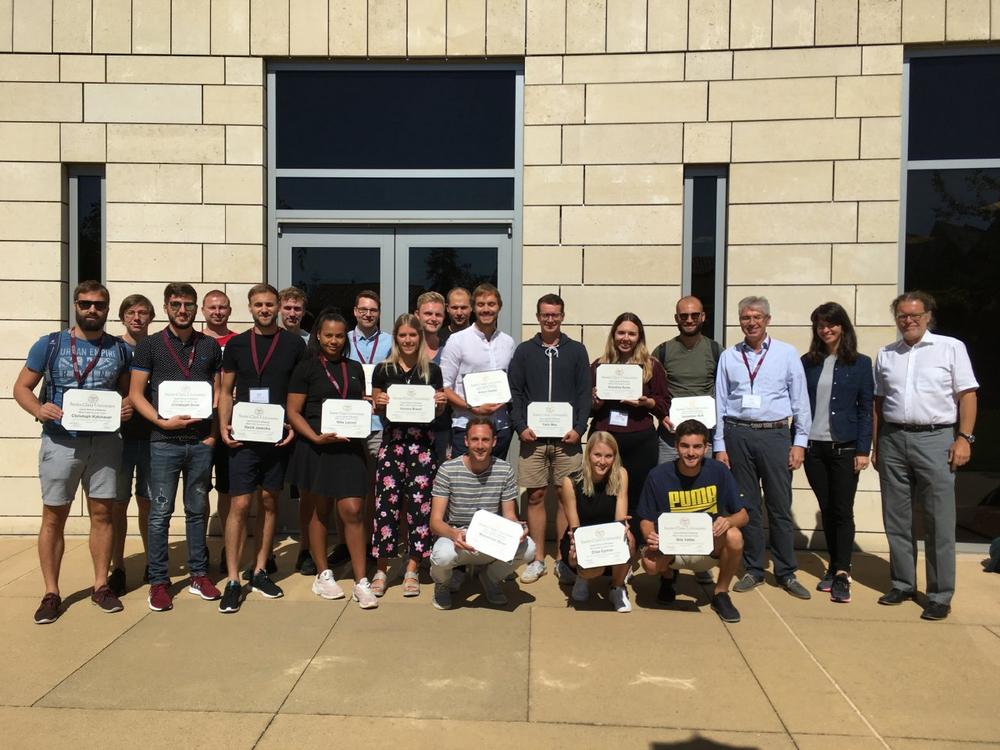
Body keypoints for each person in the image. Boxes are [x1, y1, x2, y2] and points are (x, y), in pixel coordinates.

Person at [13, 281, 133, 623]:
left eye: (99, 304)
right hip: (60, 441)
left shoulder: (120, 349)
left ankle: (101, 586)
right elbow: (21, 388)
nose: (92, 309)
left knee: (102, 514)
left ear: (107, 309)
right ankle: (51, 592)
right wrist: (39, 409)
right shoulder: (50, 344)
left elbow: (128, 393)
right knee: (54, 516)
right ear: (75, 306)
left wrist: (127, 407)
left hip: (105, 442)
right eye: (85, 303)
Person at [873, 291, 978, 621]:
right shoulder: (886, 354)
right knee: (896, 517)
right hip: (893, 438)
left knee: (938, 520)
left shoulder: (950, 348)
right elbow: (879, 403)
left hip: (936, 438)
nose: (908, 321)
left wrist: (964, 438)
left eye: (915, 315)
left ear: (928, 316)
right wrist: (877, 445)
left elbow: (967, 395)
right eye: (902, 315)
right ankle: (903, 583)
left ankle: (939, 594)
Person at [130, 283, 223, 612]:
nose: (182, 310)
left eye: (188, 304)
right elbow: (136, 393)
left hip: (200, 442)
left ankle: (198, 574)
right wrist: (161, 421)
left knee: (197, 511)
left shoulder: (209, 346)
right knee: (160, 513)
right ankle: (159, 581)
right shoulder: (150, 345)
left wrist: (213, 434)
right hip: (164, 442)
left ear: (196, 308)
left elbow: (218, 393)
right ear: (166, 307)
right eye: (175, 304)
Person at [216, 284, 306, 613]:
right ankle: (232, 579)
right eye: (258, 305)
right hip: (243, 436)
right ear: (250, 307)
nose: (264, 310)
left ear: (279, 306)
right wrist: (223, 425)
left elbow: (299, 391)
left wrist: (293, 425)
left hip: (276, 435)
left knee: (269, 501)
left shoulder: (294, 344)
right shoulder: (237, 344)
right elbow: (226, 390)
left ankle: (260, 570)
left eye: (269, 304)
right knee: (239, 504)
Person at [715, 296, 812, 599]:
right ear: (740, 321)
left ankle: (786, 571)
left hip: (775, 435)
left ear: (768, 320)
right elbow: (720, 401)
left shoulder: (786, 353)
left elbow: (800, 401)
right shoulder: (729, 356)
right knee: (747, 508)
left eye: (757, 317)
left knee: (780, 506)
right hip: (738, 434)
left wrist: (800, 442)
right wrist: (719, 445)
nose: (751, 322)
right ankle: (754, 568)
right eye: (746, 317)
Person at [286, 309, 378, 609]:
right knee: (320, 510)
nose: (334, 341)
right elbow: (293, 411)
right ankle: (323, 574)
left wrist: (366, 406)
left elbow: (355, 401)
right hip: (317, 446)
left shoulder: (354, 368)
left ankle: (361, 580)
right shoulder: (306, 368)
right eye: (328, 335)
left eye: (339, 336)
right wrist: (314, 437)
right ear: (318, 335)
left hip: (349, 447)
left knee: (353, 510)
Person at [509, 293, 591, 585]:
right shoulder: (524, 351)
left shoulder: (577, 350)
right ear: (537, 316)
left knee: (566, 496)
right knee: (535, 495)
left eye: (555, 314)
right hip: (533, 438)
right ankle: (537, 558)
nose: (550, 319)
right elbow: (515, 392)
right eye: (545, 314)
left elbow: (584, 392)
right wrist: (520, 426)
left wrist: (579, 428)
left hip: (568, 439)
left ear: (562, 316)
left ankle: (563, 559)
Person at [638, 420, 749, 623]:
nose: (691, 453)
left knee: (734, 536)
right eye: (685, 446)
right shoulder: (658, 475)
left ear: (706, 448)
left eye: (697, 446)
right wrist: (649, 535)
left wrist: (728, 521)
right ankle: (668, 578)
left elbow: (743, 515)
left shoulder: (719, 471)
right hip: (672, 548)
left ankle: (721, 593)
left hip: (709, 545)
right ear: (676, 446)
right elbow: (646, 518)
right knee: (649, 564)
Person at [369, 314, 447, 597]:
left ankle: (413, 567)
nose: (408, 340)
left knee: (419, 507)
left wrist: (440, 403)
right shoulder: (383, 370)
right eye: (402, 335)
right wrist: (378, 401)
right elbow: (376, 407)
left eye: (413, 335)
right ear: (396, 338)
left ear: (420, 337)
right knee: (385, 506)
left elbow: (438, 411)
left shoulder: (432, 372)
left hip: (422, 446)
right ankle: (381, 569)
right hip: (393, 444)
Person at [801, 302, 874, 604]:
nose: (826, 329)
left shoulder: (860, 363)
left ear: (842, 326)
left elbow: (866, 409)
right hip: (813, 449)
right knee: (828, 508)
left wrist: (863, 449)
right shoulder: (808, 362)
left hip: (845, 449)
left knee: (843, 510)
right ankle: (833, 566)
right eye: (820, 325)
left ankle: (843, 572)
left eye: (831, 324)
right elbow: (799, 405)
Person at [428, 417, 535, 610]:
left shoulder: (504, 470)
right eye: (475, 439)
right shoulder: (448, 469)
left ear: (494, 441)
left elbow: (510, 516)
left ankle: (490, 578)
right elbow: (435, 522)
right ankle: (442, 583)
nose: (479, 445)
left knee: (529, 549)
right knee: (442, 556)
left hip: (490, 536)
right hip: (458, 537)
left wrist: (517, 529)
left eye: (485, 440)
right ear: (466, 441)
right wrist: (453, 534)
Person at [589, 312, 670, 538]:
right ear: (613, 335)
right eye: (621, 332)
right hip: (605, 438)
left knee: (637, 493)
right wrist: (595, 402)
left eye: (632, 334)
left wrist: (648, 402)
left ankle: (633, 543)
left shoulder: (651, 366)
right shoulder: (599, 365)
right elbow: (585, 408)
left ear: (639, 337)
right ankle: (603, 544)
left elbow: (664, 404)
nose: (626, 338)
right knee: (602, 493)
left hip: (640, 440)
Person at [558, 431, 634, 612]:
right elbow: (574, 527)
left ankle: (617, 587)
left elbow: (620, 520)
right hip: (583, 538)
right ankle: (582, 577)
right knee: (591, 568)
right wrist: (576, 545)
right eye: (597, 455)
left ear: (615, 457)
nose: (602, 461)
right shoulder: (570, 482)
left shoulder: (621, 474)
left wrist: (624, 529)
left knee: (629, 539)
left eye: (608, 456)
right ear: (588, 455)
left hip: (608, 539)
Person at [110, 293, 155, 595]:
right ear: (122, 317)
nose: (137, 318)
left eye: (142, 313)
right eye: (131, 313)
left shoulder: (159, 347)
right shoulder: (111, 348)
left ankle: (153, 562)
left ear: (151, 316)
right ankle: (118, 566)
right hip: (118, 439)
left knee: (148, 503)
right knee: (117, 504)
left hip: (153, 437)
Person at [441, 283, 516, 459]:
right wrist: (472, 407)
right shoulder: (457, 340)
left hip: (500, 428)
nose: (486, 309)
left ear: (499, 307)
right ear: (474, 308)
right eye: (481, 304)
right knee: (464, 477)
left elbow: (512, 383)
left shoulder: (508, 342)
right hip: (466, 427)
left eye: (491, 304)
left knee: (497, 476)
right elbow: (444, 386)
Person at [279, 286, 321, 574]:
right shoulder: (268, 339)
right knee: (267, 493)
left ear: (304, 312)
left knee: (307, 492)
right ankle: (264, 555)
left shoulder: (311, 343)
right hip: (270, 422)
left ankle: (306, 548)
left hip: (302, 422)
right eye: (288, 307)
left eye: (297, 309)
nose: (292, 313)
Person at [651, 296, 722, 464]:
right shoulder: (662, 351)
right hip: (670, 438)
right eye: (684, 316)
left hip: (704, 438)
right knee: (667, 478)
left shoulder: (715, 350)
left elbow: (725, 391)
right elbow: (652, 391)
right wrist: (661, 415)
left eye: (694, 315)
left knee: (703, 480)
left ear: (703, 317)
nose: (689, 320)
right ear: (676, 318)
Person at [200, 289, 236, 570]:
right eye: (212, 307)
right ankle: (198, 547)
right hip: (199, 425)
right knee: (198, 490)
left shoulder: (238, 342)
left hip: (232, 423)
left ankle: (227, 546)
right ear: (203, 311)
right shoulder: (195, 341)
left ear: (230, 311)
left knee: (227, 490)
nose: (217, 312)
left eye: (222, 307)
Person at [415, 291, 451, 462]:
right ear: (417, 315)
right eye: (428, 313)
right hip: (411, 428)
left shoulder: (450, 349)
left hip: (443, 429)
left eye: (438, 314)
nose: (433, 318)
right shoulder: (406, 349)